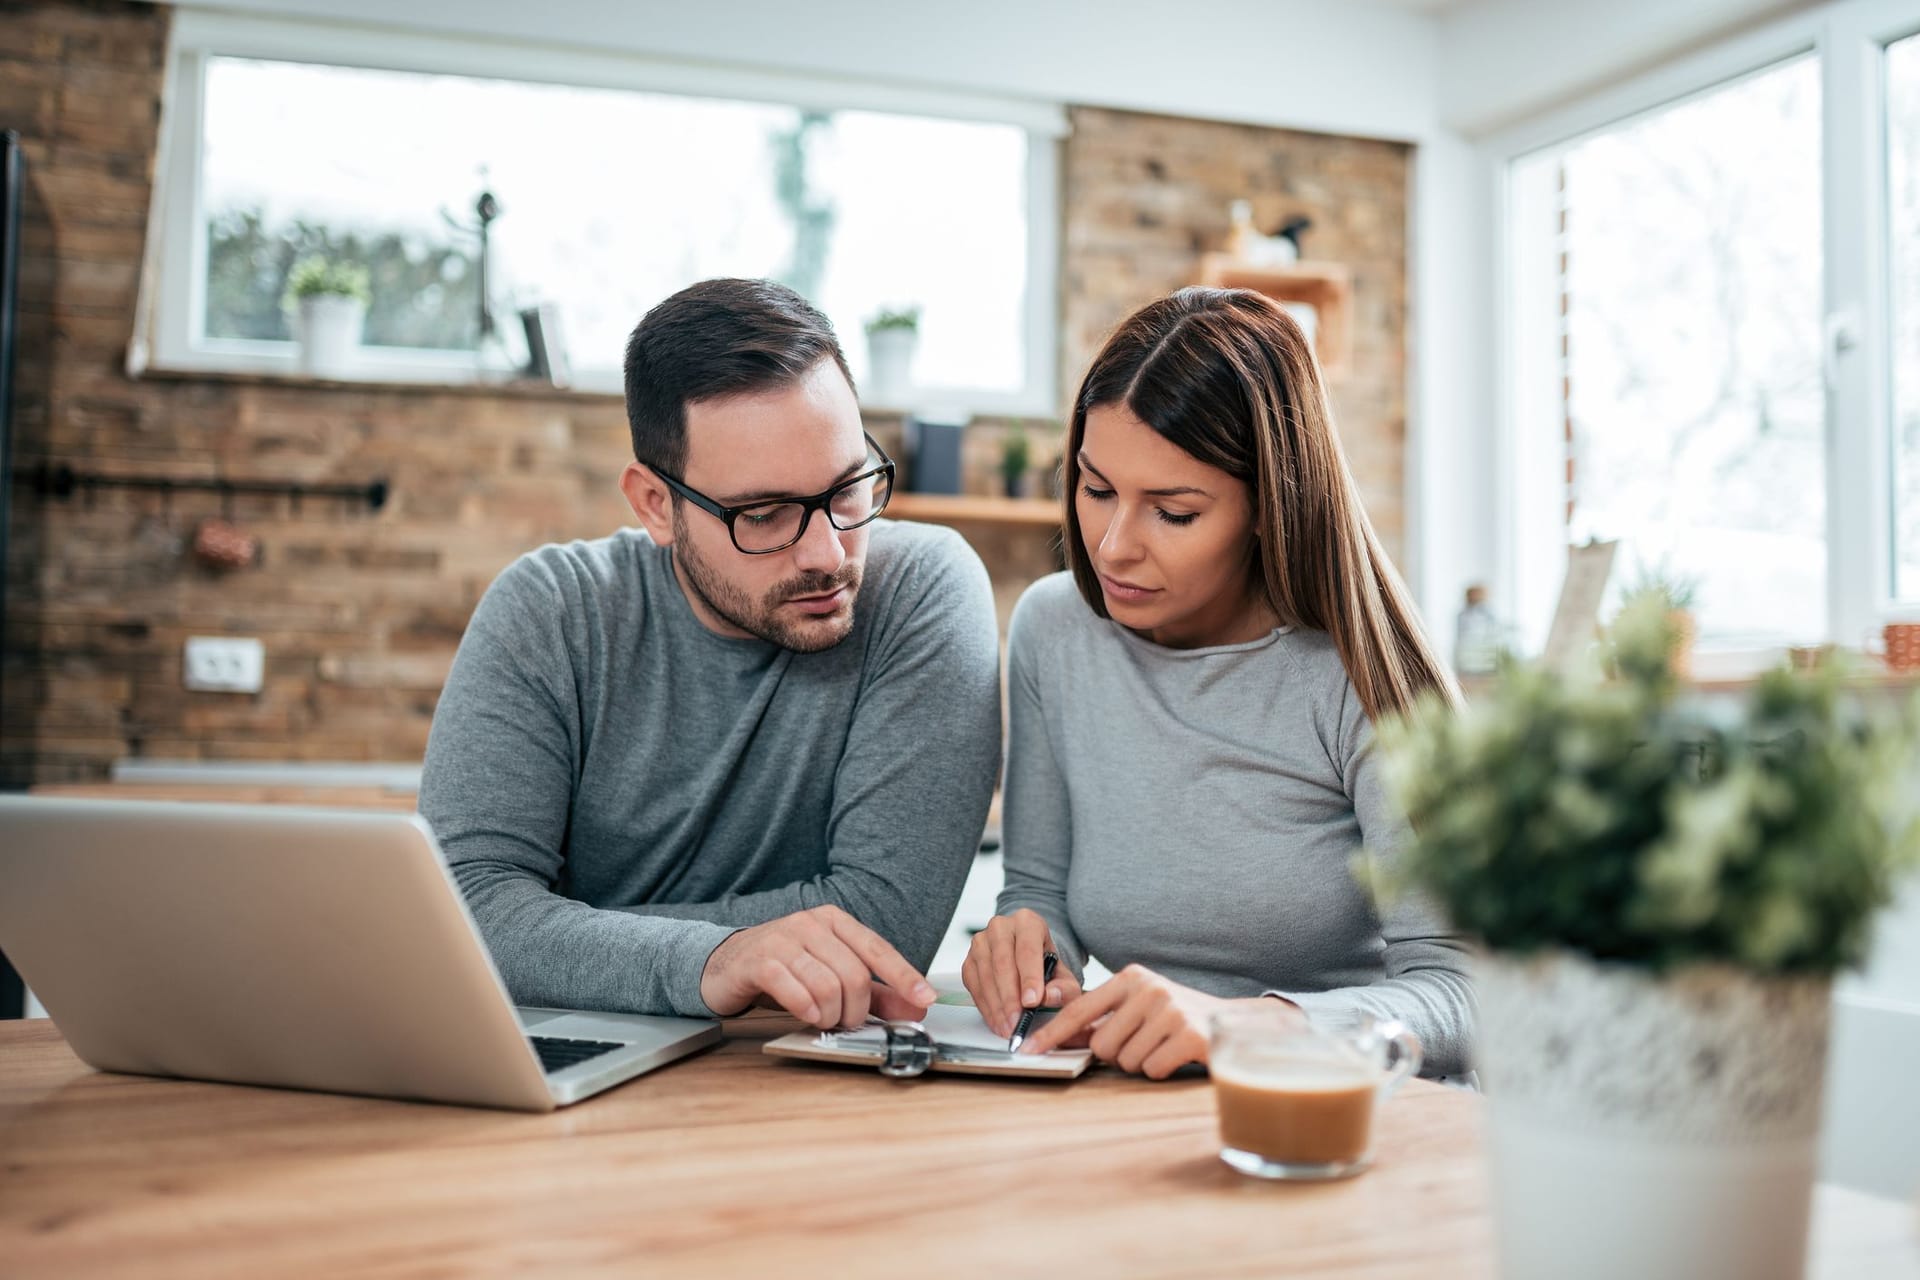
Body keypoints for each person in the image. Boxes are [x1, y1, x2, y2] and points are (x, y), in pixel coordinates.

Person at [420, 278, 1002, 1031]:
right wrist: (714, 958)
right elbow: (464, 912)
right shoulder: (553, 612)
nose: (828, 553)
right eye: (763, 515)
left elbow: (884, 928)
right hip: (570, 1064)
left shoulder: (923, 591)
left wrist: (565, 935)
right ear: (656, 506)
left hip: (803, 1079)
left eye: (850, 488)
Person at [962, 287, 1473, 1079]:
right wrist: (1029, 949)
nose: (1113, 547)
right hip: (1154, 1112)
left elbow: (1464, 994)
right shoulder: (1054, 632)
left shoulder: (1367, 675)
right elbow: (1039, 892)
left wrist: (1247, 1026)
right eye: (1096, 490)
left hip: (1350, 1120)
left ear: (1271, 507)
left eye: (1173, 512)